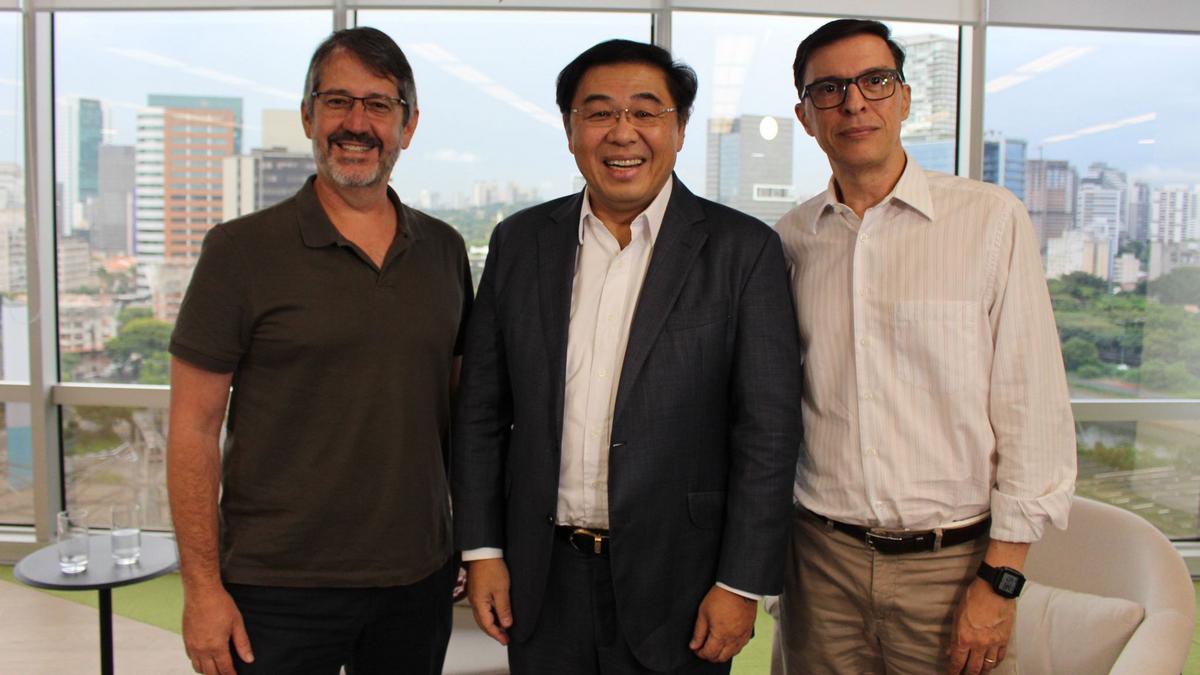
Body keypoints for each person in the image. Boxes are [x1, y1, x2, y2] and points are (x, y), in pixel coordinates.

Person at [451, 39, 803, 674]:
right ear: (570, 130)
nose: (622, 132)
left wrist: (741, 583)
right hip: (541, 576)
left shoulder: (742, 250)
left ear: (680, 129)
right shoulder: (520, 241)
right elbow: (480, 411)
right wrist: (482, 550)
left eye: (645, 112)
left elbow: (769, 432)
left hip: (684, 582)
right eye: (598, 113)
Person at [773, 18, 1076, 675]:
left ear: (905, 98)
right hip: (820, 566)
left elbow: (1032, 409)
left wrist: (1000, 581)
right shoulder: (791, 240)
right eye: (829, 89)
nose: (854, 102)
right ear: (805, 116)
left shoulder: (989, 220)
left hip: (954, 568)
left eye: (875, 81)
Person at [165, 27, 471, 675]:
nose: (356, 123)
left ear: (409, 125)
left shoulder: (445, 251)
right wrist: (201, 589)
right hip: (275, 586)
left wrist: (470, 542)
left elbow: (458, 413)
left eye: (379, 104)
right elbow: (191, 429)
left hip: (416, 579)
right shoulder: (238, 251)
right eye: (337, 101)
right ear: (308, 116)